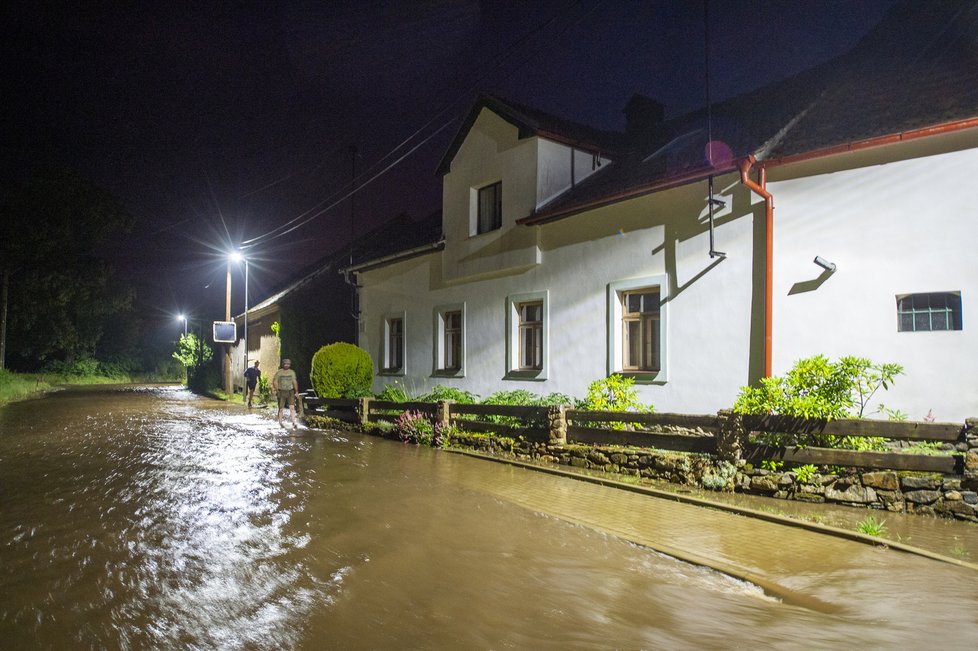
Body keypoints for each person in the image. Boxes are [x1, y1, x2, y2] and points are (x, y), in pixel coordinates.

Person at [272, 358, 300, 429]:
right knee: (281, 408)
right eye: (285, 364)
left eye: (288, 364)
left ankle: (294, 422)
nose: (287, 365)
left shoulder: (292, 372)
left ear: (290, 365)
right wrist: (277, 390)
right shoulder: (279, 372)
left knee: (292, 407)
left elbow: (294, 381)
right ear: (283, 364)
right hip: (281, 391)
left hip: (290, 391)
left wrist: (296, 391)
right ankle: (280, 422)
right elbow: (275, 381)